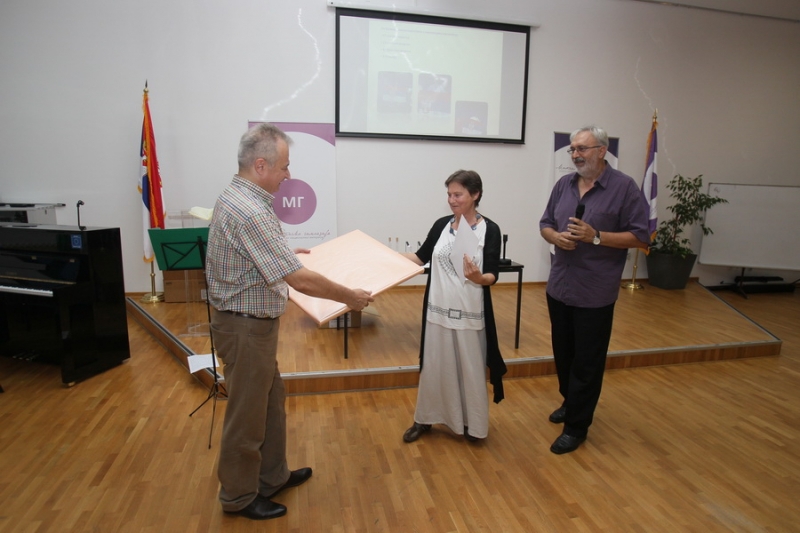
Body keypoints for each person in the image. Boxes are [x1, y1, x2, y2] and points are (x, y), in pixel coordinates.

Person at [205, 123, 374, 520]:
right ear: (261, 165)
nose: (288, 174)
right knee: (247, 416)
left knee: (270, 403)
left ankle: (272, 477)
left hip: (249, 324)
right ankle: (239, 497)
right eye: (284, 166)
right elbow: (298, 279)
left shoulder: (240, 196)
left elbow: (258, 256)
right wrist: (350, 297)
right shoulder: (251, 210)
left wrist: (282, 253)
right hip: (246, 328)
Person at [539, 125, 650, 455]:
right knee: (564, 355)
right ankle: (570, 402)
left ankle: (577, 426)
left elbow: (640, 236)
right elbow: (545, 224)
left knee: (587, 362)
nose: (575, 155)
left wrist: (596, 237)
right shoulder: (563, 185)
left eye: (582, 149)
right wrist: (555, 237)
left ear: (602, 151)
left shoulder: (624, 188)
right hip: (560, 287)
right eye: (572, 149)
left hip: (594, 292)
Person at [401, 169, 506, 444]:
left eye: (458, 194)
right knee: (434, 368)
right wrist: (386, 255)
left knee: (470, 371)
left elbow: (492, 274)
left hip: (470, 314)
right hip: (437, 311)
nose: (451, 200)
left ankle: (473, 425)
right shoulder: (441, 225)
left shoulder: (490, 229)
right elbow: (420, 257)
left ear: (475, 195)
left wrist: (479, 278)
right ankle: (425, 419)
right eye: (449, 194)